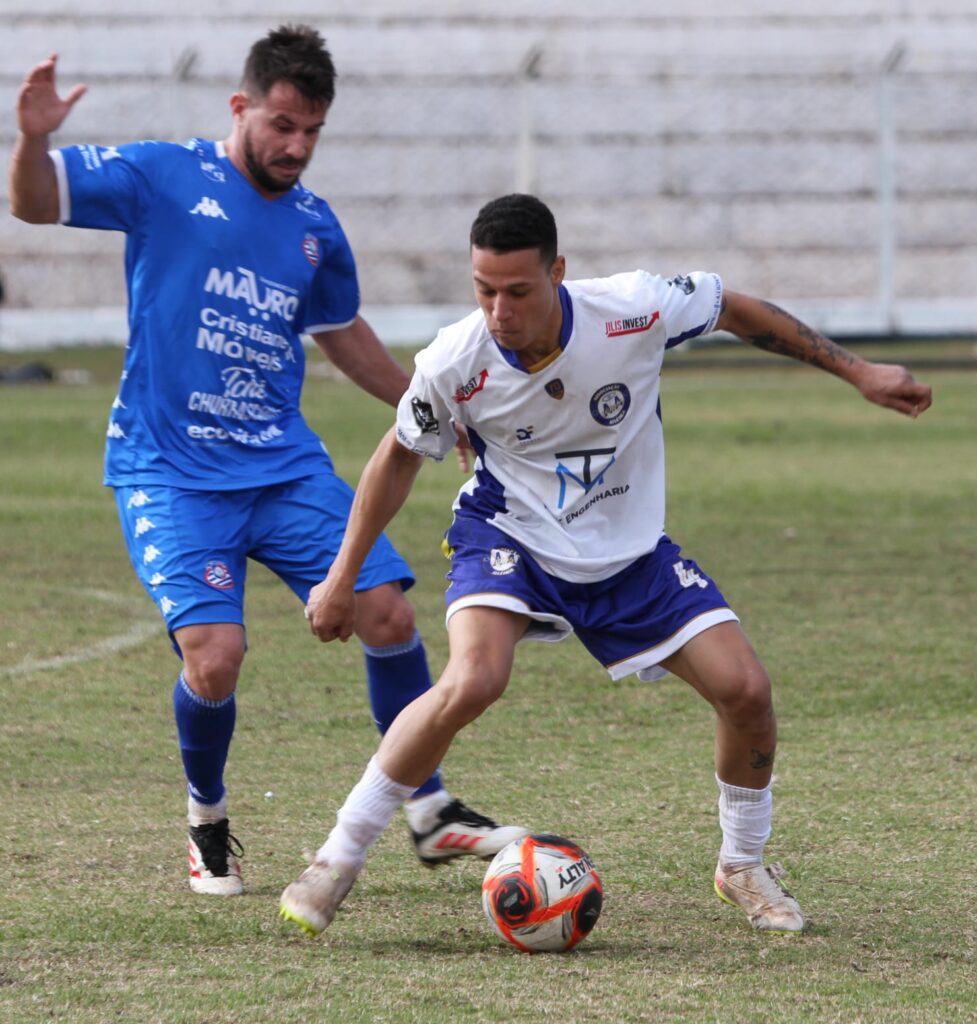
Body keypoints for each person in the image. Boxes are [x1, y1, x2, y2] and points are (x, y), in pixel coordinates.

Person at [278, 192, 933, 937]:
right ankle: (336, 858)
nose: (499, 311)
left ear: (558, 272)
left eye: (518, 291)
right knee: (473, 679)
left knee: (745, 689)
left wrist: (857, 372)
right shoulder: (453, 361)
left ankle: (741, 865)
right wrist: (340, 578)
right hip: (509, 537)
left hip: (626, 554)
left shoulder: (633, 309)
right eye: (484, 290)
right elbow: (395, 459)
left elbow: (738, 309)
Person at [8, 27, 526, 897]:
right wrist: (30, 138)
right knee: (213, 657)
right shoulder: (161, 175)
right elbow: (31, 202)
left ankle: (430, 813)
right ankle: (206, 820)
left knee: (388, 617)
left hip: (282, 469)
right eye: (281, 124)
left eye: (311, 131)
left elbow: (344, 336)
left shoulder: (315, 226)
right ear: (241, 106)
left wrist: (430, 407)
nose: (295, 146)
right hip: (169, 471)